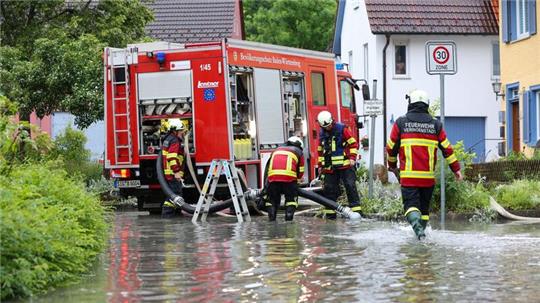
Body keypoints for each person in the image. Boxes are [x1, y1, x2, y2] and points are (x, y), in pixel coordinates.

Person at [386, 89, 463, 240]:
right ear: (426, 104)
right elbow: (447, 149)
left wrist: (392, 166)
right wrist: (456, 170)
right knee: (424, 210)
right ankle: (422, 238)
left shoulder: (401, 123)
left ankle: (418, 232)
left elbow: (391, 148)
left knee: (411, 207)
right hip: (427, 179)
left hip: (409, 178)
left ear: (410, 103)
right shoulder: (436, 124)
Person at [316, 111, 362, 219]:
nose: (329, 127)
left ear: (332, 120)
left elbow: (353, 144)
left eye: (330, 125)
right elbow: (320, 150)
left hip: (345, 165)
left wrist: (352, 158)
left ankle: (357, 213)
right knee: (329, 190)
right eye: (326, 126)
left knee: (350, 187)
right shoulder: (322, 133)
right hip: (330, 168)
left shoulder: (342, 129)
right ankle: (330, 215)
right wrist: (321, 166)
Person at [265, 136, 305, 221]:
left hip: (273, 179)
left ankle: (271, 219)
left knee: (272, 201)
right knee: (291, 200)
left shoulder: (276, 150)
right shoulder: (298, 152)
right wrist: (298, 180)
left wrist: (266, 186)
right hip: (289, 180)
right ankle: (289, 219)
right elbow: (301, 170)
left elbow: (267, 168)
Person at [161, 119, 186, 218]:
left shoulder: (168, 139)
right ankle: (167, 218)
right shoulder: (175, 141)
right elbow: (171, 157)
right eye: (181, 131)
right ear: (175, 131)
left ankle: (176, 217)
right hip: (172, 173)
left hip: (169, 173)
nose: (183, 133)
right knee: (175, 196)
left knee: (176, 195)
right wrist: (176, 171)